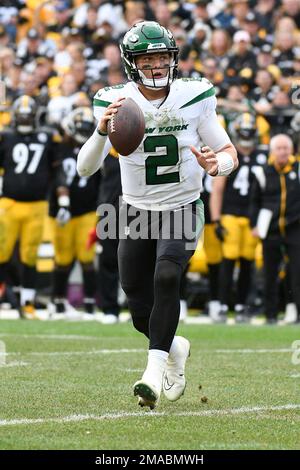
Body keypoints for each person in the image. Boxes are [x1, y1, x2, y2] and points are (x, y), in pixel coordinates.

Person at [77, 21, 238, 409]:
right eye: (147, 59)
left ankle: (152, 373)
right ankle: (174, 347)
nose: (156, 65)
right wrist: (101, 132)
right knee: (136, 302)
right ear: (132, 63)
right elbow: (85, 168)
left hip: (183, 204)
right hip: (134, 209)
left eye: (162, 57)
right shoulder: (113, 100)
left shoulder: (194, 94)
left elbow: (228, 150)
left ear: (173, 58)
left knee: (167, 275)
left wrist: (217, 166)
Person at [0, 95, 64, 318]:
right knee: (2, 251)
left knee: (29, 255)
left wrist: (63, 201)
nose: (25, 121)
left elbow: (57, 171)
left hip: (37, 205)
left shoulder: (47, 137)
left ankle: (27, 303)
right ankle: (8, 297)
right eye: (22, 117)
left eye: (29, 117)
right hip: (8, 203)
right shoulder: (5, 136)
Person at [210, 112, 269, 322]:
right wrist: (216, 219)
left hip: (252, 217)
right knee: (228, 260)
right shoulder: (229, 154)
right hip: (230, 214)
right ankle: (224, 304)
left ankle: (243, 304)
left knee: (247, 262)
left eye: (249, 132)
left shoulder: (262, 156)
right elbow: (217, 189)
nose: (246, 135)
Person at [49, 106, 100, 317]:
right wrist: (62, 203)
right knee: (62, 259)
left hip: (87, 210)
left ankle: (89, 305)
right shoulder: (59, 148)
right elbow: (59, 176)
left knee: (87, 258)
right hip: (62, 212)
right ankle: (58, 303)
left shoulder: (96, 147)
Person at [249, 134, 300, 324]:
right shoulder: (264, 172)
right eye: (279, 148)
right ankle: (270, 314)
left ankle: (296, 312)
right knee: (269, 272)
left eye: (285, 148)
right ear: (272, 151)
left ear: (291, 150)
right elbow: (255, 201)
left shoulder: (298, 169)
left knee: (297, 271)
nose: (283, 152)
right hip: (270, 228)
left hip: (295, 227)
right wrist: (254, 224)